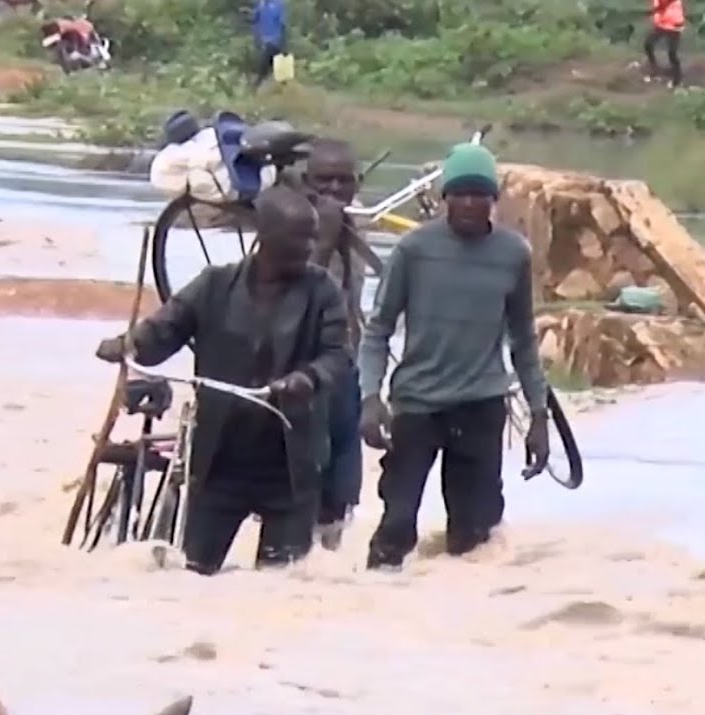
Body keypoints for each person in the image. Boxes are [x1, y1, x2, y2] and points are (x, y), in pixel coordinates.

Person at [94, 185, 352, 576]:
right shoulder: (214, 285)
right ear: (263, 236)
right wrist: (127, 345)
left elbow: (338, 356)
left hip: (290, 460)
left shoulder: (323, 292)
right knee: (191, 574)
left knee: (283, 584)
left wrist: (308, 379)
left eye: (312, 236)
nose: (309, 246)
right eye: (298, 238)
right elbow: (165, 330)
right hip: (220, 458)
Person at [357, 143, 551, 571]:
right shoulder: (414, 250)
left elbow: (522, 338)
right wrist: (370, 398)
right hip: (417, 406)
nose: (467, 203)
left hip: (480, 409)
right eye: (458, 193)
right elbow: (378, 330)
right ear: (444, 198)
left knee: (474, 539)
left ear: (493, 200)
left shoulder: (513, 254)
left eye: (478, 194)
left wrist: (539, 415)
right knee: (397, 526)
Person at [299, 139, 372, 551]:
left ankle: (328, 554)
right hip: (302, 362)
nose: (333, 190)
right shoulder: (297, 223)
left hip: (346, 358)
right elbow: (301, 289)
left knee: (344, 464)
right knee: (304, 463)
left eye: (343, 181)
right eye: (323, 181)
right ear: (306, 181)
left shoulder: (354, 220)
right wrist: (324, 237)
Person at [643, 0, 685, 88]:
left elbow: (663, 4)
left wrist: (652, 12)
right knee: (648, 45)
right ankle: (654, 69)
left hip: (674, 26)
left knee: (672, 53)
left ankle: (677, 80)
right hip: (661, 25)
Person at [249, 0, 286, 89]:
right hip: (263, 41)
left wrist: (283, 43)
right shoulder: (261, 4)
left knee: (264, 66)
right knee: (275, 70)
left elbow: (282, 24)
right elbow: (255, 20)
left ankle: (255, 88)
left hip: (274, 40)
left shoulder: (278, 4)